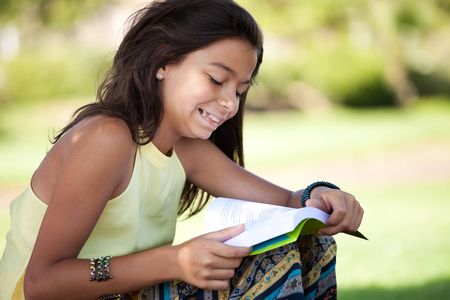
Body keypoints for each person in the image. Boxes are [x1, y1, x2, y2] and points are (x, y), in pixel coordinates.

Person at [0, 0, 364, 299]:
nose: (229, 104)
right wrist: (175, 262)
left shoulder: (186, 149)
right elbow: (42, 282)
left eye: (239, 90)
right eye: (217, 80)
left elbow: (285, 203)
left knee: (308, 245)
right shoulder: (105, 139)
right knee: (271, 265)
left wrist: (321, 197)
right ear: (163, 61)